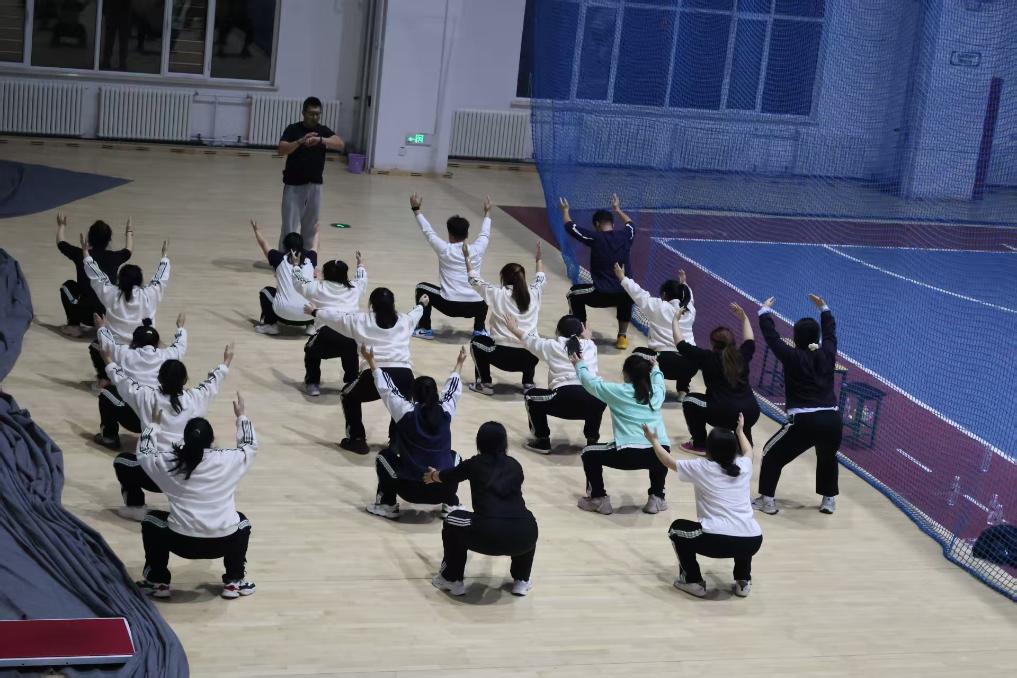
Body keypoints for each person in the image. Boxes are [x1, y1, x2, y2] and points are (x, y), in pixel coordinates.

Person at [134, 393, 257, 600]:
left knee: (151, 521)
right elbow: (249, 445)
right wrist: (241, 417)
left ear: (184, 439)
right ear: (212, 440)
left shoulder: (169, 463)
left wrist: (154, 426)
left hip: (181, 543)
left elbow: (144, 453)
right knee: (242, 522)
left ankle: (158, 582)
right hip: (223, 542)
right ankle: (234, 581)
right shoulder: (229, 460)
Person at [102, 343, 234, 521]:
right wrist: (226, 361)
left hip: (155, 474)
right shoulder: (196, 398)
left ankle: (135, 507)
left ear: (159, 378)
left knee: (122, 462)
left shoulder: (145, 396)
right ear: (185, 380)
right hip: (186, 474)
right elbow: (213, 382)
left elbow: (122, 380)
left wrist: (108, 359)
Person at [644, 414, 763, 598]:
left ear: (709, 449)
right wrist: (740, 431)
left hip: (716, 540)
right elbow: (749, 451)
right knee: (741, 531)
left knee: (676, 530)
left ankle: (692, 581)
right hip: (753, 540)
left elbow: (668, 461)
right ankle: (743, 581)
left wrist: (653, 440)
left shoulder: (702, 467)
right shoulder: (743, 466)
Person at [424, 422, 538, 597]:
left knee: (452, 519)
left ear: (479, 442)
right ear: (504, 443)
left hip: (488, 533)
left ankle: (450, 578)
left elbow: (449, 476)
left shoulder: (474, 464)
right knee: (525, 522)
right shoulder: (515, 465)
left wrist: (432, 475)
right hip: (525, 535)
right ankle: (522, 580)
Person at [305, 289, 425, 454]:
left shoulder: (360, 320)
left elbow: (336, 318)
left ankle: (357, 440)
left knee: (348, 395)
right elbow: (415, 315)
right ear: (393, 304)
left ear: (371, 305)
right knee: (401, 406)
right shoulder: (405, 320)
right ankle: (397, 443)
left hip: (375, 374)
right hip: (404, 375)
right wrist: (421, 304)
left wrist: (314, 311)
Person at [753, 294, 842, 516]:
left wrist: (764, 312)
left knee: (771, 454)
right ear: (816, 337)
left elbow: (772, 337)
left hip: (804, 421)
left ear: (795, 338)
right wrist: (824, 309)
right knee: (827, 457)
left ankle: (767, 501)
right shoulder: (828, 353)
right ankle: (828, 500)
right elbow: (830, 334)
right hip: (832, 421)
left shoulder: (791, 355)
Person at [365, 345, 467, 520]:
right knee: (455, 457)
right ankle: (451, 503)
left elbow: (387, 389)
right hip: (442, 488)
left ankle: (387, 504)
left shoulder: (405, 411)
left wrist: (371, 360)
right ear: (435, 394)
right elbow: (453, 389)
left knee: (383, 457)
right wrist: (459, 363)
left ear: (414, 395)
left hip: (410, 490)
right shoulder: (446, 410)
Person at [572, 350, 670, 515]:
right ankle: (657, 497)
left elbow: (590, 383)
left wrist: (579, 365)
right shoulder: (656, 392)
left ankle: (598, 499)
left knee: (588, 453)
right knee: (661, 451)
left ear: (626, 374)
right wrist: (656, 368)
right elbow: (659, 383)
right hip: (660, 453)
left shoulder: (617, 391)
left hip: (629, 453)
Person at [503, 313, 606, 454]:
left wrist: (513, 328)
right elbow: (585, 342)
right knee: (598, 398)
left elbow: (528, 340)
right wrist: (586, 336)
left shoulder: (552, 345)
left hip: (563, 400)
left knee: (530, 396)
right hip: (592, 402)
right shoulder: (591, 345)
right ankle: (592, 441)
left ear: (557, 331)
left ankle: (542, 441)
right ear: (581, 332)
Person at [83, 236, 170, 385]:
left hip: (118, 354)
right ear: (140, 280)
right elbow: (161, 278)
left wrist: (86, 253)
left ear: (120, 280)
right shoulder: (149, 295)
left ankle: (105, 380)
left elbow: (96, 276)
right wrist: (164, 257)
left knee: (96, 345)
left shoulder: (111, 294)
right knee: (162, 347)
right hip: (146, 352)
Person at [677, 303, 761, 456]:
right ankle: (744, 444)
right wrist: (744, 317)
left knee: (689, 400)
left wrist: (675, 321)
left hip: (724, 414)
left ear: (713, 344)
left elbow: (680, 345)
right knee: (741, 409)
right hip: (751, 413)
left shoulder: (707, 358)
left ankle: (699, 444)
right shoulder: (742, 355)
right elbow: (750, 339)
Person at [93, 312, 187, 449]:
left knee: (107, 392)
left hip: (134, 421)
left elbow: (107, 345)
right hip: (162, 419)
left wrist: (101, 327)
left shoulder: (125, 353)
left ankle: (109, 437)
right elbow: (180, 345)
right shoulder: (167, 355)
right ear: (157, 343)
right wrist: (180, 327)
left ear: (134, 342)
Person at [465, 241, 545, 395]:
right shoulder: (534, 293)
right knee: (532, 343)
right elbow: (540, 278)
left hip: (501, 357)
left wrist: (466, 257)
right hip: (530, 357)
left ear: (504, 278)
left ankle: (485, 383)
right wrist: (539, 259)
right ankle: (528, 383)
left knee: (476, 342)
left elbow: (474, 280)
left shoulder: (497, 294)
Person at [410, 193, 491, 339]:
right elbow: (485, 233)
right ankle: (480, 330)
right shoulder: (478, 249)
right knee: (485, 289)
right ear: (467, 233)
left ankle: (424, 328)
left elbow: (428, 231)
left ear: (449, 234)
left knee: (421, 288)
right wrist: (487, 213)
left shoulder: (444, 249)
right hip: (476, 306)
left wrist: (416, 209)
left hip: (450, 306)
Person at [561, 194, 635, 350]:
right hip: (625, 294)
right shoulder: (626, 236)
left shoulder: (595, 238)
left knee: (573, 293)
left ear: (596, 224)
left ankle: (581, 333)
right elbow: (630, 224)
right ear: (613, 224)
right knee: (627, 293)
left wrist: (565, 210)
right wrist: (618, 209)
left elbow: (570, 227)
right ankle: (622, 337)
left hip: (601, 294)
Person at [616, 263, 697, 398]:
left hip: (665, 364)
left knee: (637, 354)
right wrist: (684, 284)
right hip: (692, 366)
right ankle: (683, 391)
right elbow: (689, 298)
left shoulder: (659, 307)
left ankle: (643, 388)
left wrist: (622, 278)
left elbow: (639, 294)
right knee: (687, 353)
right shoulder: (690, 310)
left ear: (664, 295)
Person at [293, 251, 368, 395]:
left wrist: (296, 266)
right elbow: (362, 280)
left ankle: (313, 384)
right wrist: (360, 264)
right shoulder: (354, 289)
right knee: (351, 347)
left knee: (310, 349)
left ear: (325, 274)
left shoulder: (317, 287)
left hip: (326, 338)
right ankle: (352, 382)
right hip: (350, 338)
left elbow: (299, 282)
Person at [277, 96, 345, 249]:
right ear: (303, 113)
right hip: (294, 186)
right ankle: (285, 258)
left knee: (311, 228)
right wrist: (300, 141)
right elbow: (281, 149)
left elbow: (340, 144)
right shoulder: (293, 129)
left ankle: (308, 259)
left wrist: (321, 140)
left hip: (315, 187)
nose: (314, 117)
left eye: (317, 114)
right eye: (311, 113)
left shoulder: (322, 131)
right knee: (289, 227)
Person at [56, 212, 132, 338]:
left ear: (89, 237)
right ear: (109, 240)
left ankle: (74, 325)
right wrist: (129, 231)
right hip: (107, 316)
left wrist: (61, 225)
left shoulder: (80, 254)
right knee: (118, 287)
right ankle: (113, 326)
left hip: (85, 315)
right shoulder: (114, 257)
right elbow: (128, 250)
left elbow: (61, 243)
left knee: (67, 286)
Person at [250, 220, 317, 335]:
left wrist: (257, 230)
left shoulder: (278, 258)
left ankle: (271, 325)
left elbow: (264, 244)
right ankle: (312, 326)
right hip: (309, 315)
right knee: (318, 292)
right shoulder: (310, 258)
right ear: (302, 245)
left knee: (265, 291)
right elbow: (315, 246)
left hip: (282, 314)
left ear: (284, 246)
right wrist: (317, 232)